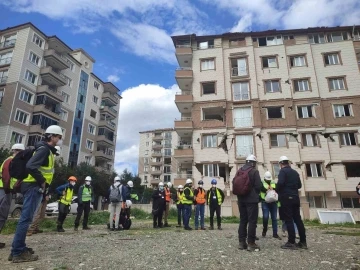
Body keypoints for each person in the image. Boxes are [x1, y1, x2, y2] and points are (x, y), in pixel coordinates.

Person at [10, 125, 61, 263]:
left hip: (33, 186)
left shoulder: (44, 149)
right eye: (58, 136)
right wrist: (42, 181)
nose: (59, 139)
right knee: (26, 219)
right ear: (51, 136)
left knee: (26, 218)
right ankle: (18, 252)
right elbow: (31, 166)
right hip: (33, 186)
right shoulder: (44, 150)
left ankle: (17, 248)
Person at [27, 146, 60, 236]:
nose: (55, 156)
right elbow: (43, 178)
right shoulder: (45, 156)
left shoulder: (51, 164)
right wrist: (45, 192)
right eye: (55, 154)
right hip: (39, 189)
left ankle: (35, 227)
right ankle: (31, 229)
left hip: (45, 191)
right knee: (36, 213)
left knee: (41, 214)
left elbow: (49, 181)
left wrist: (48, 193)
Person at [277, 156, 307, 250]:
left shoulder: (283, 171)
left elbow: (280, 183)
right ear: (288, 163)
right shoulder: (295, 172)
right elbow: (299, 185)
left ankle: (291, 241)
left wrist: (276, 189)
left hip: (286, 198)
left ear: (281, 164)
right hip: (295, 198)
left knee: (288, 219)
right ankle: (303, 242)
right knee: (298, 219)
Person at [0, 144, 25, 249]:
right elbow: (6, 176)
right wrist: (8, 189)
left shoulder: (9, 160)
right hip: (5, 190)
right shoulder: (11, 161)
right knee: (2, 215)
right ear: (18, 151)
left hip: (5, 190)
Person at [237, 154, 262, 252]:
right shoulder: (254, 171)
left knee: (243, 220)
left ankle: (241, 242)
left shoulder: (239, 171)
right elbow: (258, 186)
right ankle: (251, 243)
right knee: (252, 221)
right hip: (251, 200)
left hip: (241, 200)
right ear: (253, 163)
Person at [260, 171, 281, 239]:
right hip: (265, 202)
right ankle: (265, 229)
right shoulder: (262, 182)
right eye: (267, 179)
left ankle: (275, 233)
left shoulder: (273, 182)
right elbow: (260, 188)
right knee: (265, 217)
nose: (268, 180)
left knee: (274, 218)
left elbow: (278, 189)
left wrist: (273, 189)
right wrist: (266, 190)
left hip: (273, 202)